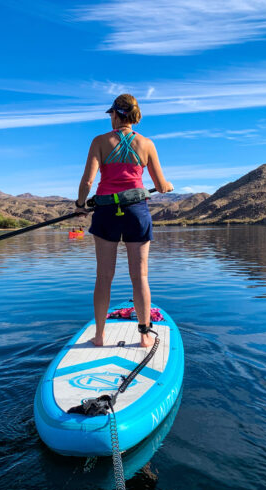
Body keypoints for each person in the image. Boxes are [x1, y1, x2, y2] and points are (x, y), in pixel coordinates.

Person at [75, 94, 174, 348]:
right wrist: (167, 186)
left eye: (111, 115)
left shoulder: (99, 141)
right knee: (140, 276)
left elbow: (88, 181)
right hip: (136, 212)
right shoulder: (147, 144)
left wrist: (79, 206)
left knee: (103, 277)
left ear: (117, 115)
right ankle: (143, 336)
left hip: (106, 213)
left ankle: (99, 336)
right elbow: (160, 185)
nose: (110, 119)